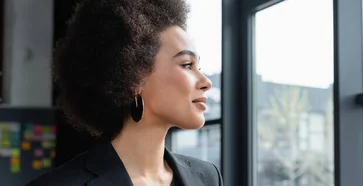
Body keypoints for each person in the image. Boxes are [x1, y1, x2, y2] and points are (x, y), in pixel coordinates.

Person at [25, 0, 222, 185]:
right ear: (133, 77)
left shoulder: (208, 177)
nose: (206, 82)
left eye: (200, 67)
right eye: (187, 65)